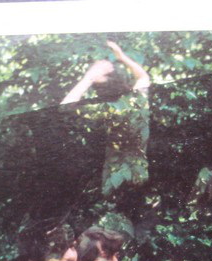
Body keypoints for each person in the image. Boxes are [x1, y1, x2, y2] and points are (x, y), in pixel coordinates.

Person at [61, 40, 150, 199]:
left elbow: (65, 106)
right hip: (140, 173)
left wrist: (88, 78)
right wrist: (121, 57)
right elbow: (143, 76)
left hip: (115, 179)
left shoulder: (105, 110)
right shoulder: (137, 99)